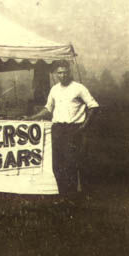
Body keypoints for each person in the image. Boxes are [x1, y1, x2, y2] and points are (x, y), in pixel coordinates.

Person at [23, 61, 99, 197]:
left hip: (73, 129)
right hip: (57, 129)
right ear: (55, 74)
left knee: (71, 163)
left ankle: (72, 197)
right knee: (57, 164)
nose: (62, 75)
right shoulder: (54, 89)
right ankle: (62, 195)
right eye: (59, 72)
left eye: (65, 72)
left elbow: (93, 107)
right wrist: (31, 118)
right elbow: (48, 109)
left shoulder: (79, 88)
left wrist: (83, 126)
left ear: (70, 72)